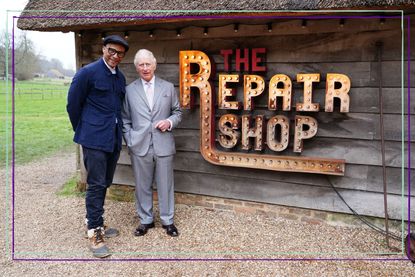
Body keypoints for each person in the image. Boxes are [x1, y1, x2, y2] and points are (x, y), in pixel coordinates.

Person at [66, 35, 129, 258]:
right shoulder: (87, 73)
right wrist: (84, 130)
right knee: (96, 183)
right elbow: (73, 105)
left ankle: (97, 222)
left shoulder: (120, 78)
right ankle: (94, 232)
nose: (115, 56)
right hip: (93, 138)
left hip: (112, 138)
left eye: (120, 53)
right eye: (112, 51)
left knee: (105, 182)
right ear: (103, 48)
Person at [122, 49, 182, 237]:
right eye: (141, 65)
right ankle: (145, 220)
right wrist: (130, 139)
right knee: (142, 184)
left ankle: (167, 220)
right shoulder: (129, 90)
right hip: (139, 145)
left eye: (148, 64)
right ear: (137, 67)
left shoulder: (168, 88)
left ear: (155, 65)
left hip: (163, 143)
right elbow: (125, 119)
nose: (145, 68)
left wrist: (169, 122)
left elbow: (177, 112)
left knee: (165, 183)